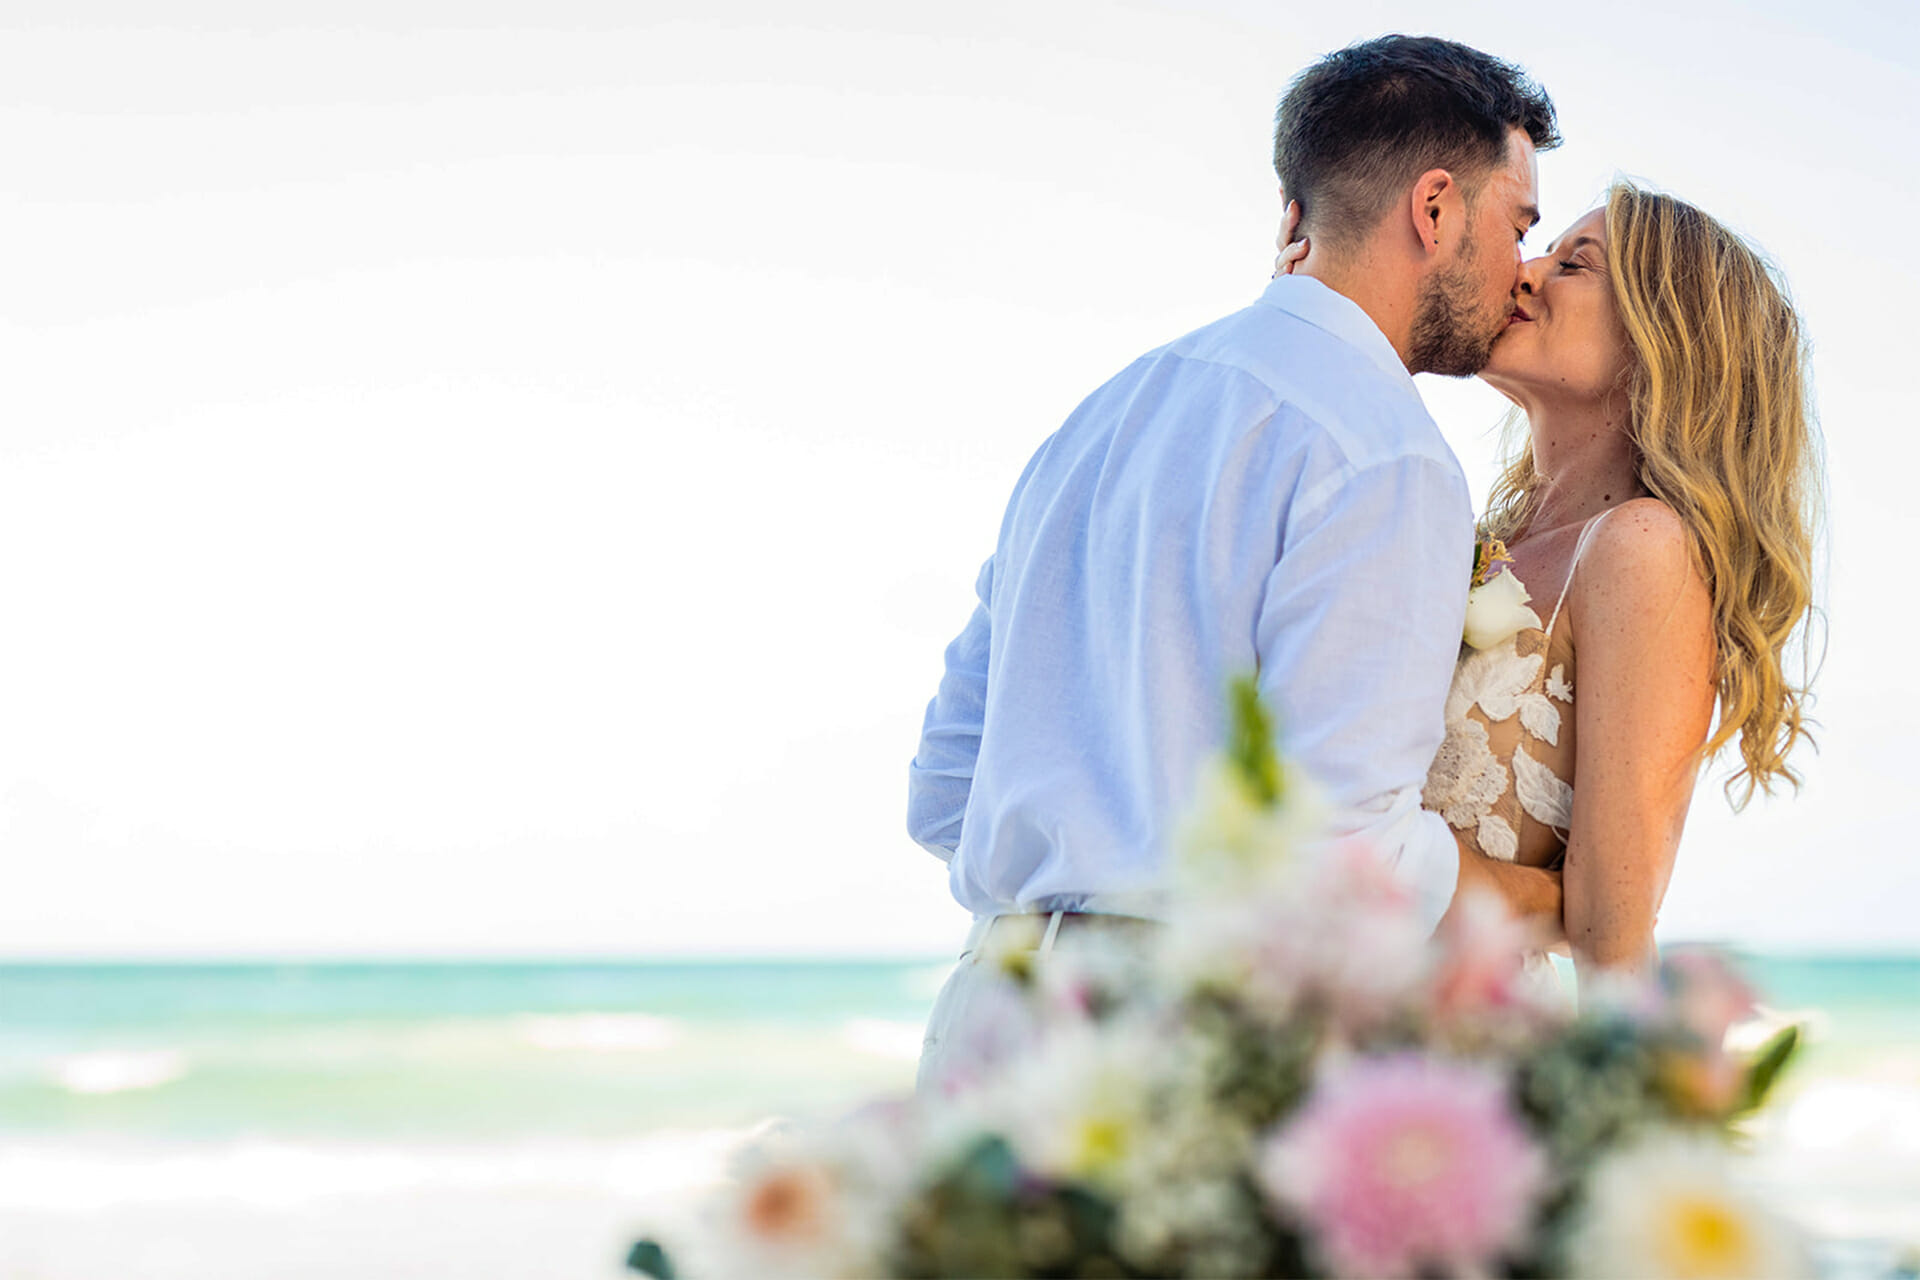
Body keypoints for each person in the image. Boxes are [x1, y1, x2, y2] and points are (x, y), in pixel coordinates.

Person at [907, 35, 1563, 1095]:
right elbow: (1341, 857)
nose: (1522, 269)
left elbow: (946, 786)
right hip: (1183, 1046)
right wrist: (1543, 897)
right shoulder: (1384, 451)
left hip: (989, 1020)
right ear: (1434, 208)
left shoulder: (1102, 416)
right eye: (1517, 224)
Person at [1280, 181, 1820, 979]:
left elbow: (1612, 933)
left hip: (1458, 1046)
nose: (1526, 271)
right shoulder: (1476, 537)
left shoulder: (1640, 548)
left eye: (1576, 264)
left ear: (1662, 336)